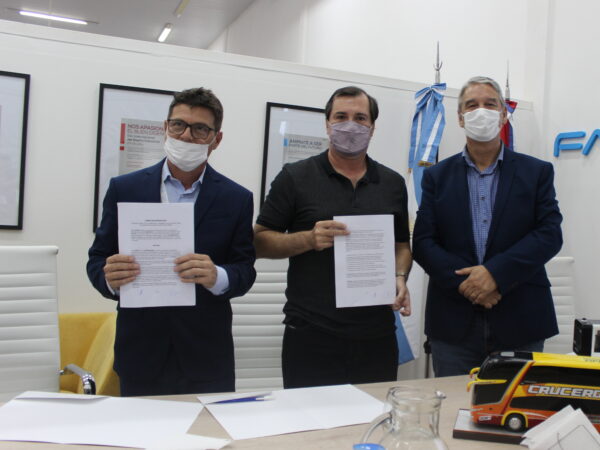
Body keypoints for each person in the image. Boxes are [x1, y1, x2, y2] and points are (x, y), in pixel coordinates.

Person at [87, 87, 257, 396]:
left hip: (206, 355)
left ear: (216, 139)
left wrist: (217, 275)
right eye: (178, 125)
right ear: (166, 127)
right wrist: (110, 279)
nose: (186, 136)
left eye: (200, 129)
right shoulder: (125, 188)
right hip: (141, 352)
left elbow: (245, 270)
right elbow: (97, 259)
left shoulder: (236, 198)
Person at [254, 86, 412, 389]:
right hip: (311, 333)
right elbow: (259, 241)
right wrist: (307, 239)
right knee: (309, 418)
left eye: (360, 118)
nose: (350, 125)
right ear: (327, 124)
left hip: (376, 334)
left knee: (373, 414)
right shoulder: (294, 177)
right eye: (341, 117)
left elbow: (402, 246)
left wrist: (400, 276)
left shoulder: (392, 183)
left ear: (373, 127)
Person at [413, 76, 563, 377]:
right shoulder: (436, 176)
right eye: (471, 105)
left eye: (490, 104)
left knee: (515, 404)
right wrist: (469, 285)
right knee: (455, 403)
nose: (481, 111)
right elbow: (424, 243)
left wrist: (495, 274)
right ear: (460, 118)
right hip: (453, 322)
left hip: (521, 318)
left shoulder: (536, 172)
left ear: (503, 114)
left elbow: (549, 235)